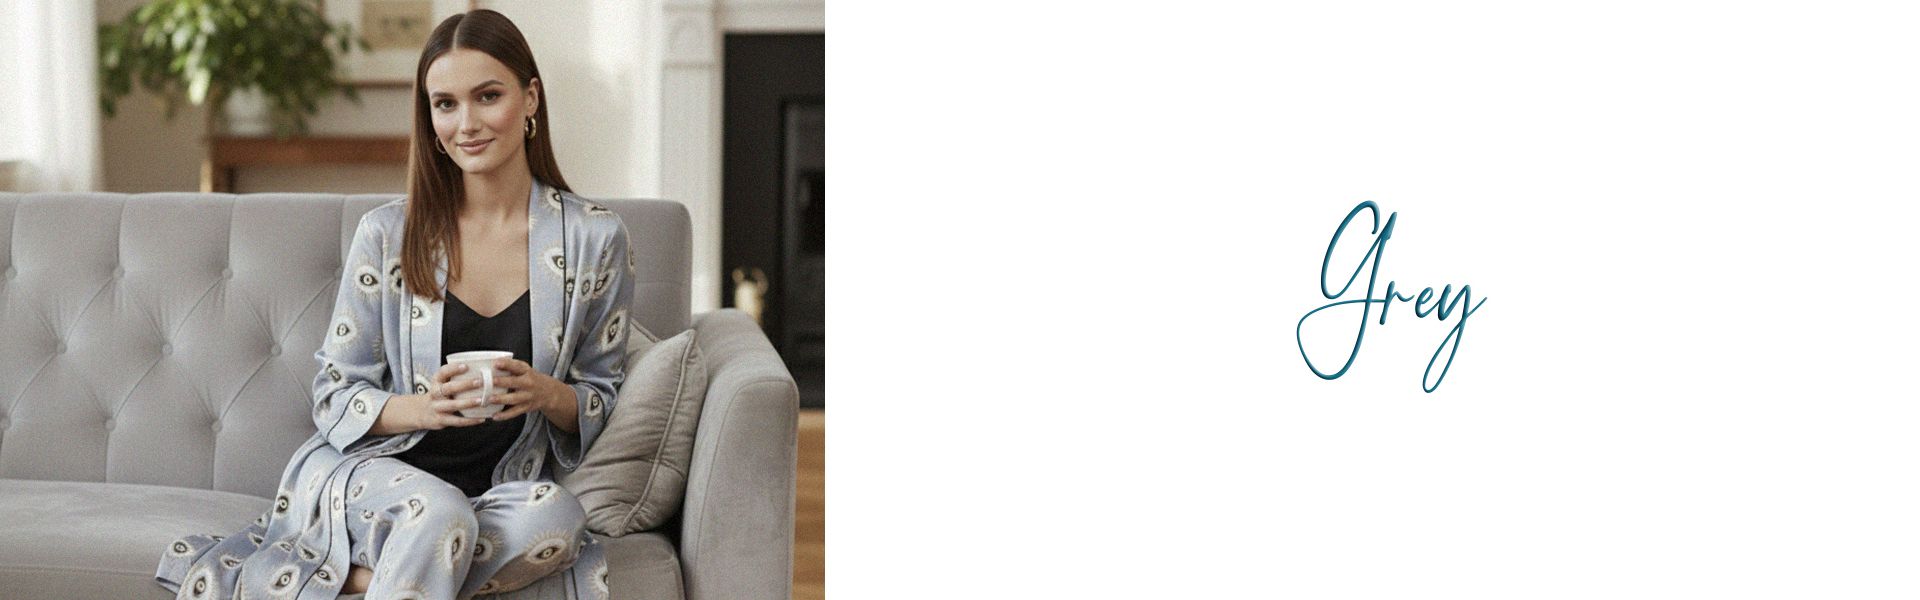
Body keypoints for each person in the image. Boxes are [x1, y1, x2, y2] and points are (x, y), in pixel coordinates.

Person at [154, 9, 632, 599]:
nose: (466, 123)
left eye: (488, 96)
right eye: (445, 104)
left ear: (530, 97)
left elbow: (601, 392)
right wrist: (425, 409)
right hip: (374, 480)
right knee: (439, 515)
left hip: (495, 498)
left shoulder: (594, 239)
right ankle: (396, 564)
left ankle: (347, 579)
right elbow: (334, 393)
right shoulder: (387, 235)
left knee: (558, 518)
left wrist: (544, 392)